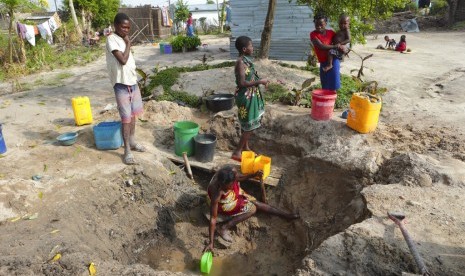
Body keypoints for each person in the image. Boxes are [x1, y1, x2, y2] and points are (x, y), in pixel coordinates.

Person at [203, 166, 299, 252]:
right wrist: (211, 242)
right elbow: (213, 218)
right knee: (252, 208)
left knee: (254, 202)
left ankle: (286, 215)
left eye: (230, 186)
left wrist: (254, 174)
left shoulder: (231, 172)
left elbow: (239, 178)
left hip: (232, 194)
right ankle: (223, 228)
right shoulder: (217, 193)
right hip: (223, 203)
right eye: (226, 188)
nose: (228, 188)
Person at [105, 13, 146, 165]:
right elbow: (122, 60)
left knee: (133, 114)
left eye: (128, 27)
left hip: (132, 82)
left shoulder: (123, 38)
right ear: (115, 25)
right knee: (126, 118)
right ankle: (127, 150)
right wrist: (128, 43)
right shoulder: (111, 39)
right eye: (123, 27)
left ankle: (133, 142)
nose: (126, 30)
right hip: (121, 84)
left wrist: (127, 41)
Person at [231, 36, 270, 161]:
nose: (253, 48)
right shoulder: (240, 63)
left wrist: (259, 81)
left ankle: (245, 147)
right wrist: (260, 81)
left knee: (247, 123)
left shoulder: (246, 60)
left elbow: (249, 77)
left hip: (250, 95)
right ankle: (237, 152)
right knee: (250, 125)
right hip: (245, 96)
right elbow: (242, 83)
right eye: (251, 46)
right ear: (244, 49)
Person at [310, 14, 347, 91]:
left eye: (321, 25)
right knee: (325, 85)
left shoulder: (331, 33)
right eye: (316, 25)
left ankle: (332, 102)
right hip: (323, 63)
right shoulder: (313, 34)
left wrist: (344, 48)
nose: (319, 27)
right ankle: (326, 102)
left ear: (326, 24)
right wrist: (335, 46)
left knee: (333, 86)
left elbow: (339, 41)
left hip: (333, 62)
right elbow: (321, 46)